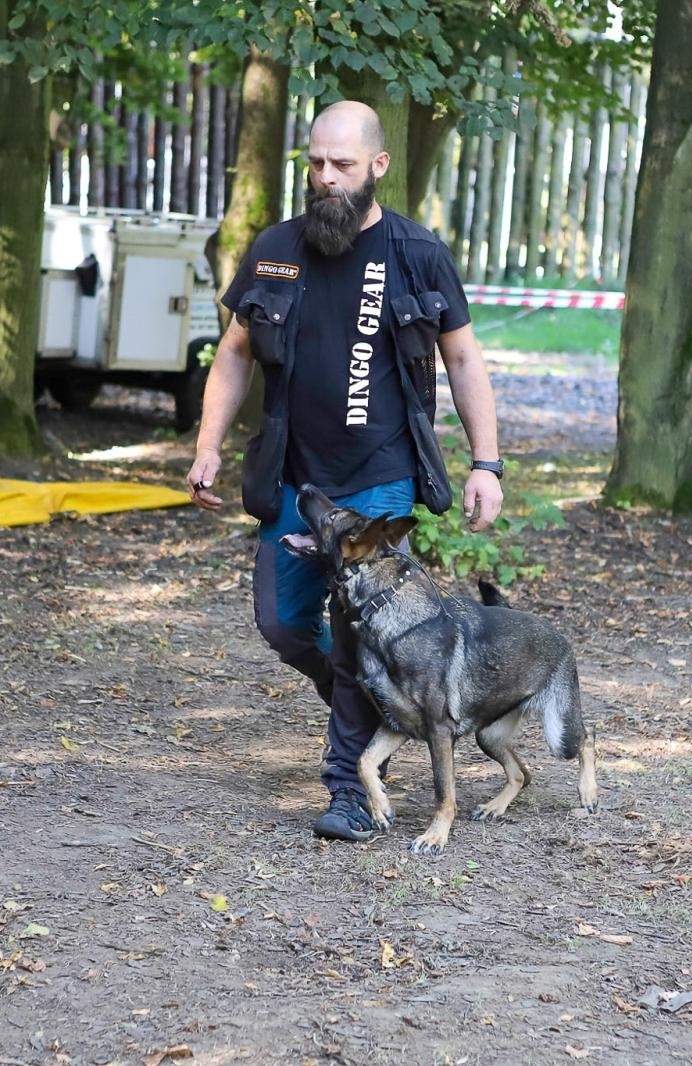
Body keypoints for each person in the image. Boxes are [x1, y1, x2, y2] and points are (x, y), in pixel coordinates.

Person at [185, 100, 505, 841]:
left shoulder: (416, 252)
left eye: (342, 166)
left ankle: (351, 790)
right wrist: (208, 445)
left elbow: (462, 358)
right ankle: (381, 700)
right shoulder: (274, 249)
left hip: (383, 478)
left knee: (362, 626)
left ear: (378, 168)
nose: (325, 179)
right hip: (297, 478)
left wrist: (486, 463)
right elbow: (233, 354)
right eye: (316, 163)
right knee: (283, 622)